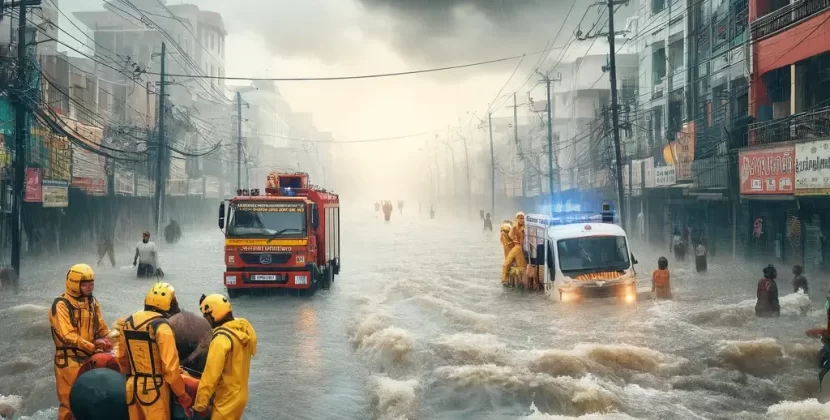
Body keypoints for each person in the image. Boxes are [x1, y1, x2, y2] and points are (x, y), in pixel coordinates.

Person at [115, 282, 192, 420]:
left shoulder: (128, 323)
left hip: (132, 388)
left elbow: (121, 357)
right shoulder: (162, 327)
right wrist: (182, 395)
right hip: (155, 389)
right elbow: (170, 368)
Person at [49, 263, 111, 420]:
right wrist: (93, 347)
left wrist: (114, 341)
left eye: (91, 283)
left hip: (89, 359)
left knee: (89, 402)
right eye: (85, 284)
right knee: (69, 403)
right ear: (74, 283)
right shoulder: (61, 304)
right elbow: (67, 335)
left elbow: (103, 329)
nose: (90, 287)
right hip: (68, 361)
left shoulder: (92, 302)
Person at [194, 294, 258, 420]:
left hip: (226, 400)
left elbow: (210, 377)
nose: (204, 319)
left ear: (213, 314)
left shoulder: (220, 340)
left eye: (206, 316)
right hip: (240, 396)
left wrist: (200, 406)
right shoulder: (244, 328)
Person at [502, 212, 527, 286]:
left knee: (517, 266)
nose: (522, 220)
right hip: (516, 247)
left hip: (519, 248)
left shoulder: (525, 228)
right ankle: (505, 279)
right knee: (508, 263)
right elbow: (510, 236)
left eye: (523, 218)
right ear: (517, 219)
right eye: (520, 218)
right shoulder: (514, 228)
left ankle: (505, 279)